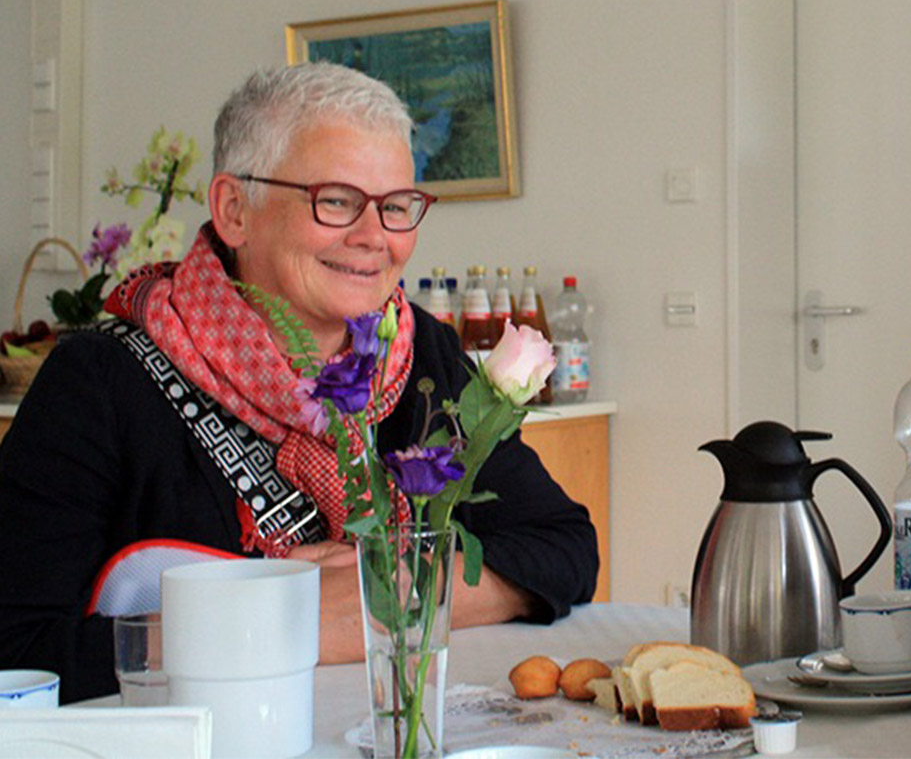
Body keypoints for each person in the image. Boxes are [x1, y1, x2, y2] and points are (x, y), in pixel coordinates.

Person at [0, 62, 599, 702]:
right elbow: (17, 649)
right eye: (336, 200)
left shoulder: (422, 354)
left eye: (396, 206)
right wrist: (284, 619)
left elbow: (564, 549)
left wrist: (397, 593)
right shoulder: (100, 381)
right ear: (234, 210)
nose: (375, 238)